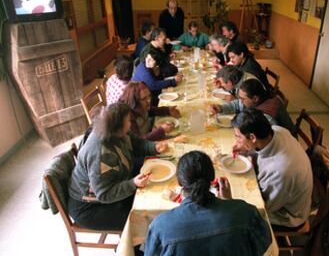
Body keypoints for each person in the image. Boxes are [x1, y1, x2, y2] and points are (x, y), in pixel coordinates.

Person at [145, 151, 272, 255]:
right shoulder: (245, 212)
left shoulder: (160, 226)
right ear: (212, 179)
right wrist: (230, 203)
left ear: (179, 182)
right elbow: (263, 243)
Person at [68, 103, 168, 231]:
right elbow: (104, 194)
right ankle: (136, 249)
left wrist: (153, 147)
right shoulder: (100, 154)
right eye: (128, 120)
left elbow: (136, 143)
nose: (130, 123)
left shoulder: (114, 131)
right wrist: (133, 184)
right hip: (88, 207)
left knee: (149, 188)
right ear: (117, 126)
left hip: (111, 182)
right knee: (142, 219)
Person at [231, 109, 313, 230]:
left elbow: (262, 206)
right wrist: (249, 149)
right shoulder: (278, 131)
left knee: (233, 217)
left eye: (238, 137)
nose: (237, 141)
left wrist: (230, 201)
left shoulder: (280, 171)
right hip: (284, 194)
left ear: (253, 137)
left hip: (287, 215)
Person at [209, 79, 296, 137]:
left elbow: (267, 141)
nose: (240, 101)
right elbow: (237, 104)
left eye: (243, 99)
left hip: (281, 147)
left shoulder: (265, 116)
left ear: (255, 98)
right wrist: (220, 108)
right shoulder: (261, 96)